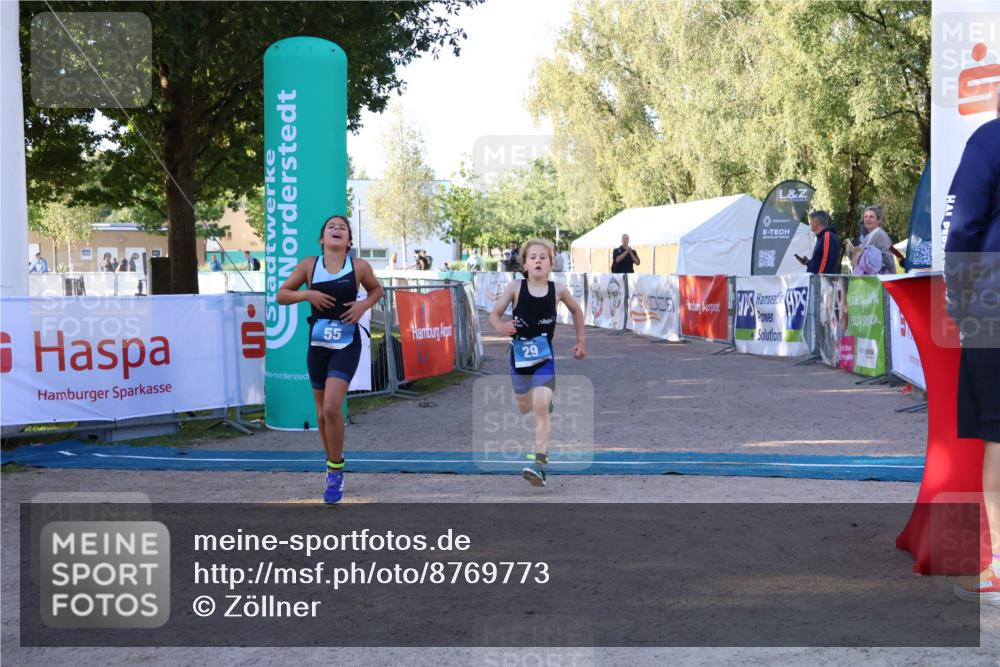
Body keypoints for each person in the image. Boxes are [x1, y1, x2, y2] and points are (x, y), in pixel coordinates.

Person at [277, 214, 384, 504]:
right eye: (331, 227)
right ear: (322, 239)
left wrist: (362, 305)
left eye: (342, 228)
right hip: (318, 344)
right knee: (322, 414)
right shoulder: (309, 266)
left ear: (349, 241)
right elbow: (282, 295)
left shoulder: (359, 266)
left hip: (347, 343)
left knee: (333, 406)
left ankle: (336, 471)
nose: (337, 230)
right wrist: (308, 294)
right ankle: (331, 462)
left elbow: (377, 290)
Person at [944, 116, 1000, 605]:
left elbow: (964, 227)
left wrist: (958, 300)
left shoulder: (989, 139)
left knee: (999, 436)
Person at [489, 238, 586, 488]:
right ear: (524, 264)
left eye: (543, 257)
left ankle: (540, 465)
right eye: (532, 257)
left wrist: (581, 342)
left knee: (540, 406)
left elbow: (577, 311)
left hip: (544, 356)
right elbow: (494, 314)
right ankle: (541, 401)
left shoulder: (559, 290)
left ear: (552, 263)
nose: (538, 261)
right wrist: (502, 327)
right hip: (519, 357)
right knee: (524, 406)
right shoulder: (515, 287)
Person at [846, 205, 897, 275]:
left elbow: (889, 261)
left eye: (871, 217)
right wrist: (851, 252)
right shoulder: (868, 236)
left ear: (878, 220)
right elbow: (859, 261)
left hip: (881, 281)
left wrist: (873, 261)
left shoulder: (880, 235)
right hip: (871, 281)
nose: (867, 219)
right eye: (865, 217)